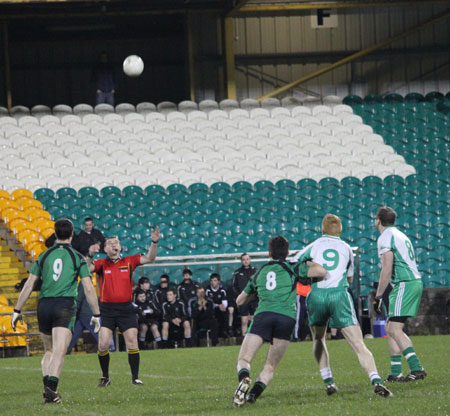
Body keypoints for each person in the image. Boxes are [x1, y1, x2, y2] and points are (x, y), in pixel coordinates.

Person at [292, 214, 392, 397]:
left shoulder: (314, 245)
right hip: (339, 295)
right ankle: (376, 380)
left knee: (319, 339)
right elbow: (350, 278)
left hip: (317, 295)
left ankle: (328, 381)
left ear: (322, 229)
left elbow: (293, 262)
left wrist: (308, 269)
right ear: (340, 230)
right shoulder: (346, 248)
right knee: (358, 344)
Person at [11, 218, 100, 404]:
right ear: (72, 234)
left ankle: (48, 390)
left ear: (55, 233)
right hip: (64, 305)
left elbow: (29, 285)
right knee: (60, 350)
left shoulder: (43, 256)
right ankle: (51, 391)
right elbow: (89, 288)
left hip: (43, 305)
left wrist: (17, 310)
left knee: (49, 350)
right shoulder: (77, 257)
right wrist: (97, 313)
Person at [233, 236, 327, 407]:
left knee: (244, 359)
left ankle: (244, 379)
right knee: (270, 366)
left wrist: (256, 294)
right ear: (287, 252)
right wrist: (307, 262)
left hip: (263, 316)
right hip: (286, 318)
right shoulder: (293, 268)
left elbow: (239, 301)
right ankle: (252, 396)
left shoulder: (259, 272)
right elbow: (321, 272)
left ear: (269, 253)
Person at [86, 227, 160, 386]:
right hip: (107, 310)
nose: (114, 245)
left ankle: (135, 377)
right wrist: (90, 254)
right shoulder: (100, 264)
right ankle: (105, 376)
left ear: (120, 247)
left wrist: (154, 242)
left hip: (126, 309)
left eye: (116, 243)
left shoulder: (129, 261)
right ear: (105, 249)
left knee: (132, 342)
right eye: (110, 243)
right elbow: (85, 269)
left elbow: (150, 258)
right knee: (103, 344)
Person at [373, 206, 426, 382]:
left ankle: (417, 368)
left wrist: (379, 295)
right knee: (392, 327)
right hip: (412, 282)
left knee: (393, 328)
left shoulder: (385, 237)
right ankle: (396, 372)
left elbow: (387, 267)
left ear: (378, 220)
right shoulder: (400, 234)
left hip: (404, 283)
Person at [66, 282, 115, 354]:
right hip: (88, 313)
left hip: (85, 314)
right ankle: (110, 348)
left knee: (75, 333)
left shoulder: (82, 283)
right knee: (97, 331)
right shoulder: (90, 283)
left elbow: (79, 299)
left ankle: (66, 349)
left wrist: (74, 312)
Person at [232, 253, 257, 336]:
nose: (246, 261)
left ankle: (254, 337)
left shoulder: (255, 271)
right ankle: (244, 337)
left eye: (247, 259)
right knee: (244, 320)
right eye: (244, 260)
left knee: (254, 320)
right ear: (241, 261)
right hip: (243, 299)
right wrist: (239, 295)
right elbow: (234, 286)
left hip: (253, 299)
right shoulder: (237, 273)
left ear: (250, 260)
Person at [205, 273, 231, 337]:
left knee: (226, 312)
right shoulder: (207, 290)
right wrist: (217, 305)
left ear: (218, 281)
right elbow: (208, 302)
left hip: (220, 308)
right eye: (211, 281)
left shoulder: (222, 290)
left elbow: (225, 302)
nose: (213, 282)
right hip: (211, 309)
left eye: (215, 280)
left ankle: (225, 331)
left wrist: (222, 306)